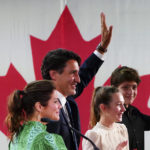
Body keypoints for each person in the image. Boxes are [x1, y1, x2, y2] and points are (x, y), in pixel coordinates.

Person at [41, 12, 113, 150]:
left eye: (77, 73)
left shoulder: (65, 98)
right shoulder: (44, 111)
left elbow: (85, 74)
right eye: (73, 73)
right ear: (54, 74)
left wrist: (102, 48)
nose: (78, 79)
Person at [5, 80, 67, 150]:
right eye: (55, 101)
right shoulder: (48, 140)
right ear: (39, 107)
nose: (60, 106)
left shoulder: (15, 138)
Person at [110, 66, 150, 150]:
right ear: (114, 89)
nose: (131, 92)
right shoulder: (107, 119)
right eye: (125, 87)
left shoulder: (141, 118)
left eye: (134, 87)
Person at [82, 86, 129, 150]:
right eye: (118, 104)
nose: (123, 109)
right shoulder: (94, 135)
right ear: (103, 107)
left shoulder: (122, 129)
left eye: (123, 104)